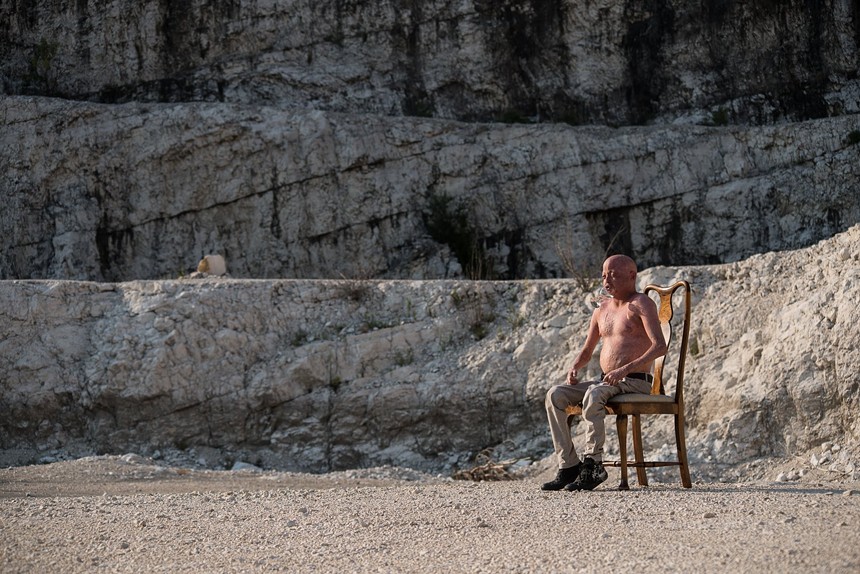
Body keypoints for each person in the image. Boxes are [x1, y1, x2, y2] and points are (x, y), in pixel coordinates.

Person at [541, 254, 667, 491]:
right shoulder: (602, 308)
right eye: (603, 275)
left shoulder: (641, 303)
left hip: (635, 381)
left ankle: (593, 465)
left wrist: (625, 369)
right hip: (607, 381)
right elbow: (588, 349)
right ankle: (568, 465)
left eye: (613, 274)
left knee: (594, 394)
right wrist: (575, 367)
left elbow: (660, 345)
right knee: (555, 394)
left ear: (632, 275)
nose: (607, 280)